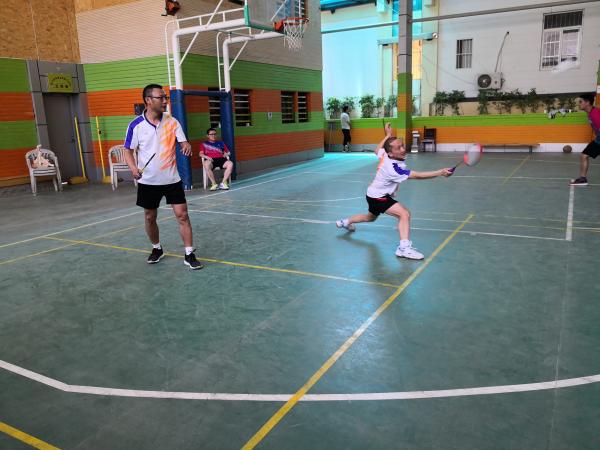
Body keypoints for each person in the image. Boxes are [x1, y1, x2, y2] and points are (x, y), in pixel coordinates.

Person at [336, 123, 453, 260]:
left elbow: (377, 150)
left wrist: (388, 135)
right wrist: (440, 172)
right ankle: (404, 248)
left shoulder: (386, 155)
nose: (403, 149)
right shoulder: (393, 168)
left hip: (372, 194)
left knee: (370, 218)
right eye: (399, 148)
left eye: (402, 145)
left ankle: (345, 222)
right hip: (379, 197)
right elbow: (416, 175)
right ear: (391, 153)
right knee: (404, 214)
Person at [123, 83, 203, 269]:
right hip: (148, 181)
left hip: (172, 179)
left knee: (182, 215)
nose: (165, 101)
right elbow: (128, 150)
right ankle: (157, 248)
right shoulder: (136, 125)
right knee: (150, 217)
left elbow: (183, 141)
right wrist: (133, 168)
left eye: (166, 97)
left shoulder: (172, 121)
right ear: (148, 100)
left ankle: (189, 253)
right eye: (161, 98)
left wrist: (186, 145)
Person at [570, 93, 600, 186]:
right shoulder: (590, 113)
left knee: (584, 155)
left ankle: (583, 179)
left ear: (587, 103)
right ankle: (583, 179)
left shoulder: (595, 114)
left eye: (580, 102)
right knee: (584, 155)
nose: (579, 104)